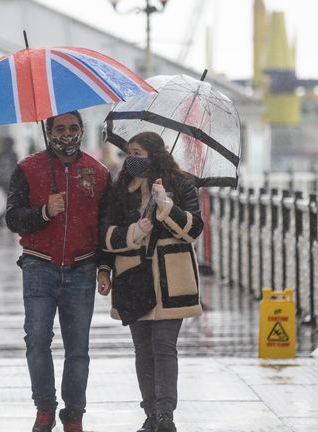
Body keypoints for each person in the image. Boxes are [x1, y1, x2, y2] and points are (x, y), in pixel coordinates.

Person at [5, 111, 113, 432]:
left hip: (82, 268)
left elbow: (106, 225)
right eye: (61, 128)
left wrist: (104, 266)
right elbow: (13, 217)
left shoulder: (98, 173)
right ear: (48, 131)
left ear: (82, 130)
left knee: (78, 347)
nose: (67, 134)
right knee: (37, 339)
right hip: (39, 265)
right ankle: (45, 407)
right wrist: (44, 211)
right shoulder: (27, 169)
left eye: (74, 128)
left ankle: (75, 414)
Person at [99, 131, 204, 432]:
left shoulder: (182, 184)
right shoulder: (121, 188)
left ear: (155, 155)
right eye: (129, 152)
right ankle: (149, 412)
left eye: (139, 153)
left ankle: (165, 414)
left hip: (172, 279)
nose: (132, 158)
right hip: (133, 278)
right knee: (143, 349)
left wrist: (166, 207)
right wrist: (131, 235)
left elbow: (194, 229)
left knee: (163, 345)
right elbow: (105, 235)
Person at [0, 137, 19, 224]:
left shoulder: (11, 155)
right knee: (12, 202)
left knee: (12, 202)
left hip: (9, 182)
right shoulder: (3, 155)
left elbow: (16, 168)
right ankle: (5, 217)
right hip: (7, 182)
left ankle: (2, 216)